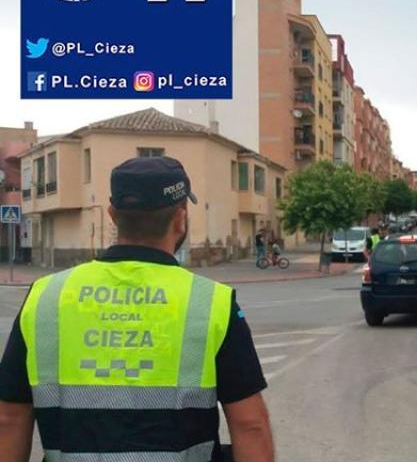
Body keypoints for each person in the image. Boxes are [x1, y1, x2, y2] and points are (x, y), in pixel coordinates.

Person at [0, 156, 275, 462]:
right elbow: (250, 425)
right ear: (181, 218)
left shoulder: (46, 296)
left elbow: (9, 419)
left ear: (112, 216)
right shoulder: (211, 303)